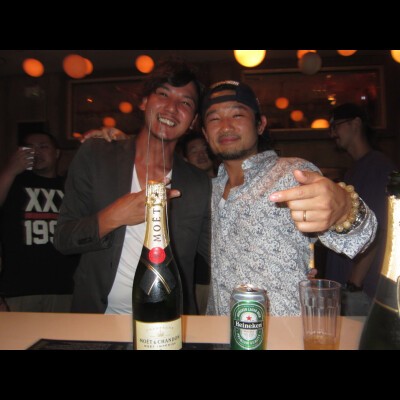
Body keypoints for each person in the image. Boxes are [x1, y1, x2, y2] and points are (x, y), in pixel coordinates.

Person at [200, 81, 377, 316]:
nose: (225, 126)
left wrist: (344, 209)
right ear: (205, 133)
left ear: (260, 124)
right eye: (214, 119)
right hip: (221, 329)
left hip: (285, 330)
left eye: (237, 114)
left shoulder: (292, 173)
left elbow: (363, 237)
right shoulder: (208, 190)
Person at [54, 60, 211, 315]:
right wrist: (114, 216)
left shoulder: (199, 184)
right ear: (144, 102)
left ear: (193, 120)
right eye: (163, 94)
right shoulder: (96, 156)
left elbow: (218, 252)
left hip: (170, 320)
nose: (172, 108)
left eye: (185, 102)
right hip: (99, 318)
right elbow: (63, 239)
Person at [325, 103, 397, 315]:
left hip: (362, 290)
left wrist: (354, 283)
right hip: (348, 286)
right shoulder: (355, 168)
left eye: (336, 126)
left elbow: (381, 228)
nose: (332, 134)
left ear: (355, 123)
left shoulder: (379, 167)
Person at [0, 132, 79, 312]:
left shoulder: (69, 186)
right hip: (19, 289)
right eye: (30, 148)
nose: (36, 152)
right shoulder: (13, 182)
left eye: (43, 146)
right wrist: (10, 169)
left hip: (65, 287)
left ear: (57, 153)